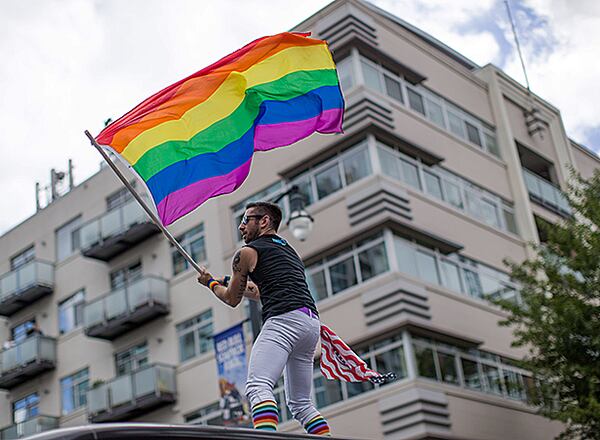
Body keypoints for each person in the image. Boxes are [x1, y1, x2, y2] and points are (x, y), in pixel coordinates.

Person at [197, 201, 331, 436]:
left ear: (264, 221)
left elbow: (231, 300)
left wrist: (211, 283)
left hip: (284, 322)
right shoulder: (289, 251)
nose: (240, 227)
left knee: (257, 386)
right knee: (301, 403)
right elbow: (258, 292)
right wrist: (229, 279)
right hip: (310, 324)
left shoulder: (247, 253)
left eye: (245, 220)